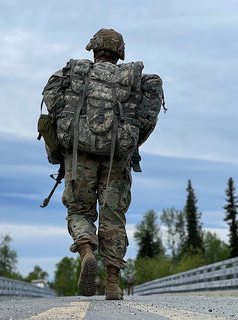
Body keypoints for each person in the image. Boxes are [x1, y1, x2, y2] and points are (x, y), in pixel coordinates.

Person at [41, 28, 163, 300]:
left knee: (79, 210)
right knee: (113, 217)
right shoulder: (133, 81)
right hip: (117, 157)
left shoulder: (75, 74)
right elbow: (146, 119)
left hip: (79, 155)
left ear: (94, 50)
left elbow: (52, 104)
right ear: (119, 52)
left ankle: (86, 251)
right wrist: (128, 142)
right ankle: (112, 284)